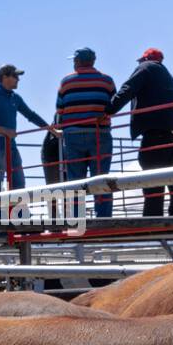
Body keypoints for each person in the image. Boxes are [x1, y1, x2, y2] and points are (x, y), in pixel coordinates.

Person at [107, 48, 173, 217]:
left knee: (152, 178)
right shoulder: (166, 74)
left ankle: (152, 221)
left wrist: (109, 109)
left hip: (157, 131)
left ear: (145, 59)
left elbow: (128, 88)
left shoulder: (146, 68)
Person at [54, 48, 116, 219]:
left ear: (78, 61)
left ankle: (76, 219)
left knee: (75, 180)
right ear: (93, 61)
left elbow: (60, 109)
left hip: (73, 134)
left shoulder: (66, 81)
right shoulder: (107, 81)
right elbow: (113, 106)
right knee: (101, 178)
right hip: (99, 133)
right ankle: (103, 219)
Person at [0, 64, 57, 193]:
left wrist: (52, 130)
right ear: (5, 77)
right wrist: (5, 131)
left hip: (11, 147)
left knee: (19, 182)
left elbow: (30, 115)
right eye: (15, 76)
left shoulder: (15, 98)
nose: (18, 79)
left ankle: (18, 213)